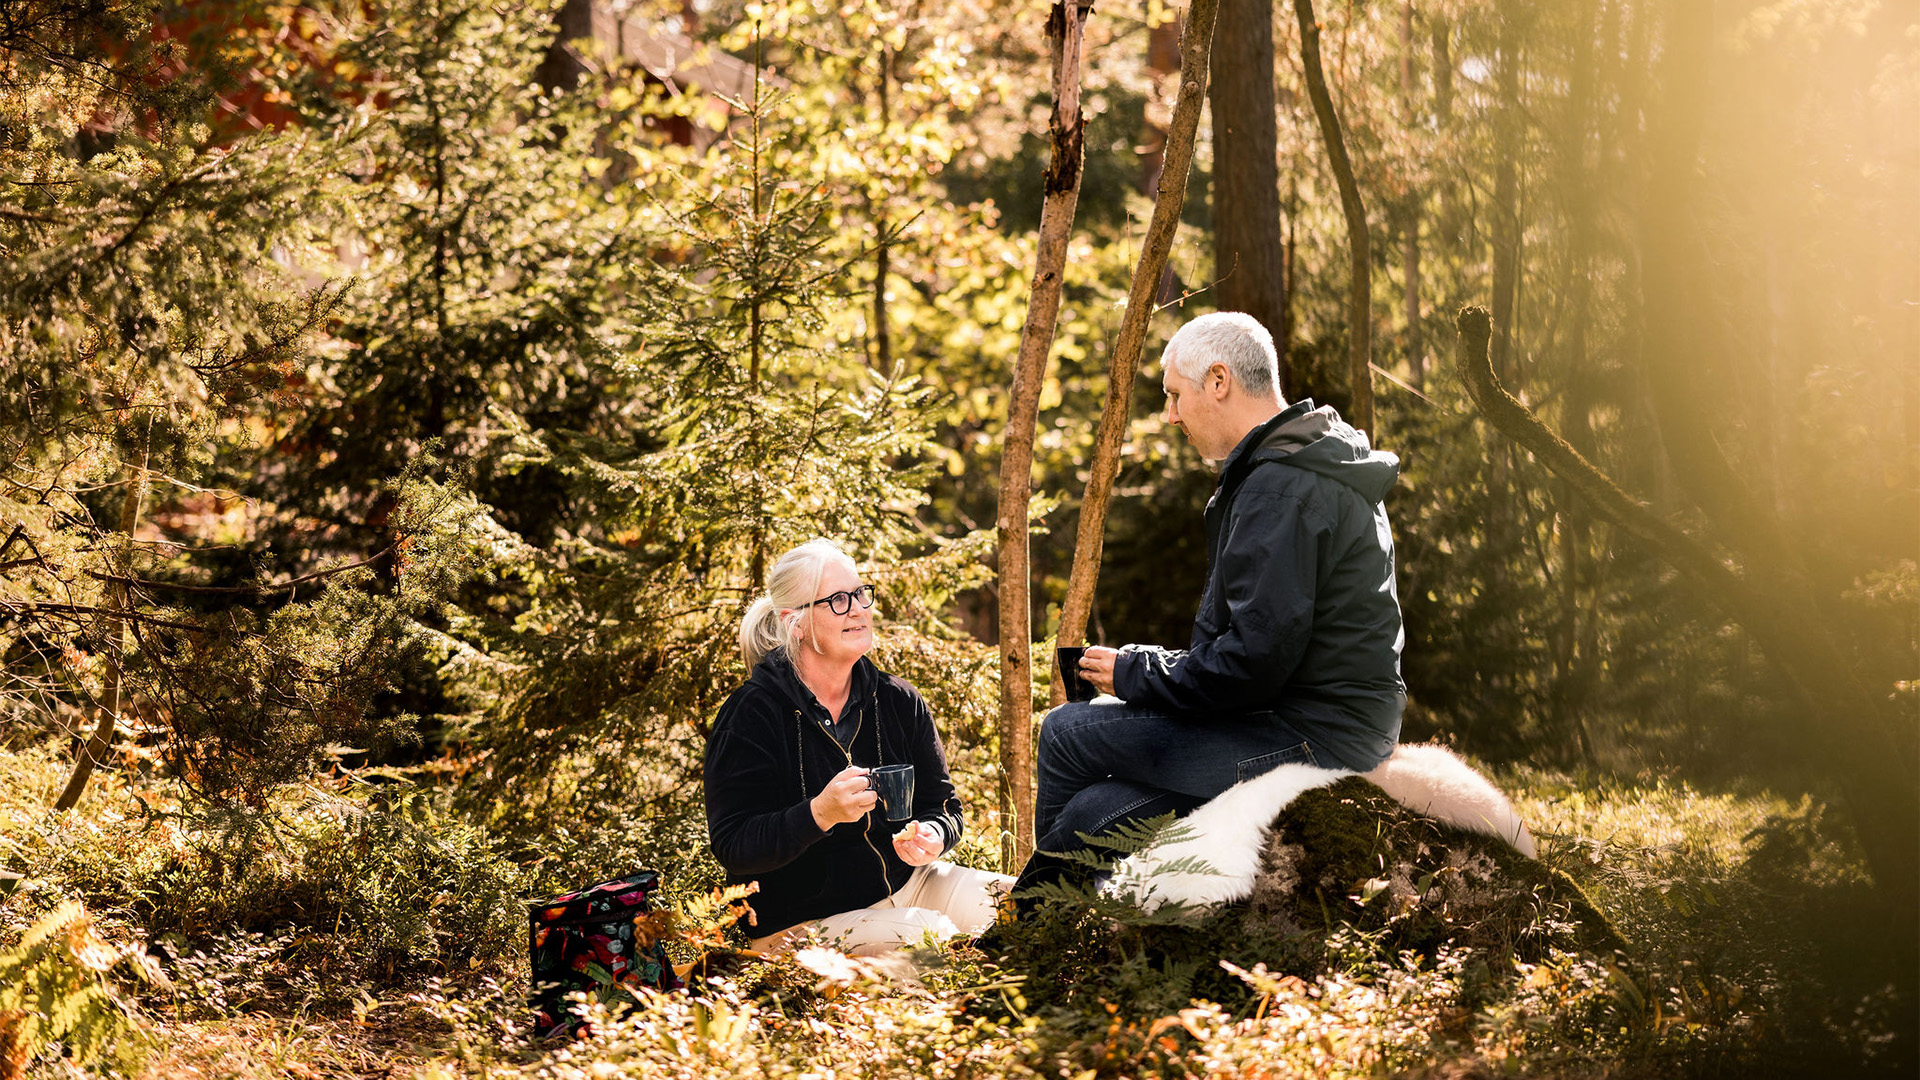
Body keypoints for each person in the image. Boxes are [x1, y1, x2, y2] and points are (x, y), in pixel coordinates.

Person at [1032, 311, 1407, 869]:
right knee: (1096, 809)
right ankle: (1059, 927)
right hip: (1320, 721)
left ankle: (1026, 934)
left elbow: (1254, 664)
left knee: (1065, 731)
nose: (1170, 416)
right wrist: (1148, 669)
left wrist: (1137, 671)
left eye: (1175, 395)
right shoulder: (1309, 460)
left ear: (1218, 381)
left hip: (1314, 737)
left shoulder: (1282, 488)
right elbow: (1264, 644)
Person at [705, 539, 1013, 957]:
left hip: (912, 883)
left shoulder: (898, 700)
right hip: (799, 922)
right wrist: (819, 814)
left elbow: (944, 807)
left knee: (1026, 906)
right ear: (794, 622)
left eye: (859, 594)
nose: (857, 609)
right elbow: (735, 847)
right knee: (932, 939)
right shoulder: (752, 714)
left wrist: (934, 835)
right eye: (836, 600)